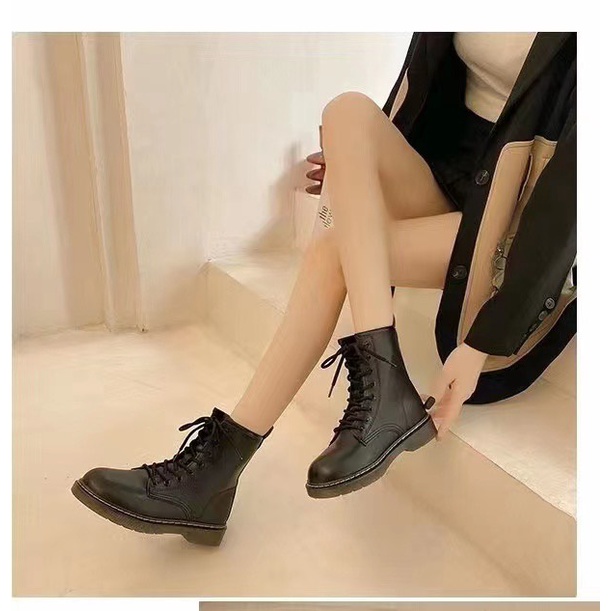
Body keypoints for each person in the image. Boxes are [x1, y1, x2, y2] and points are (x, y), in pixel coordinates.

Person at [71, 32, 577, 546]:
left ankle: (216, 472)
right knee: (347, 112)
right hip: (446, 173)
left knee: (333, 251)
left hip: (515, 220)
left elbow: (571, 202)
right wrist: (353, 161)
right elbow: (423, 90)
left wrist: (484, 342)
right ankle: (383, 389)